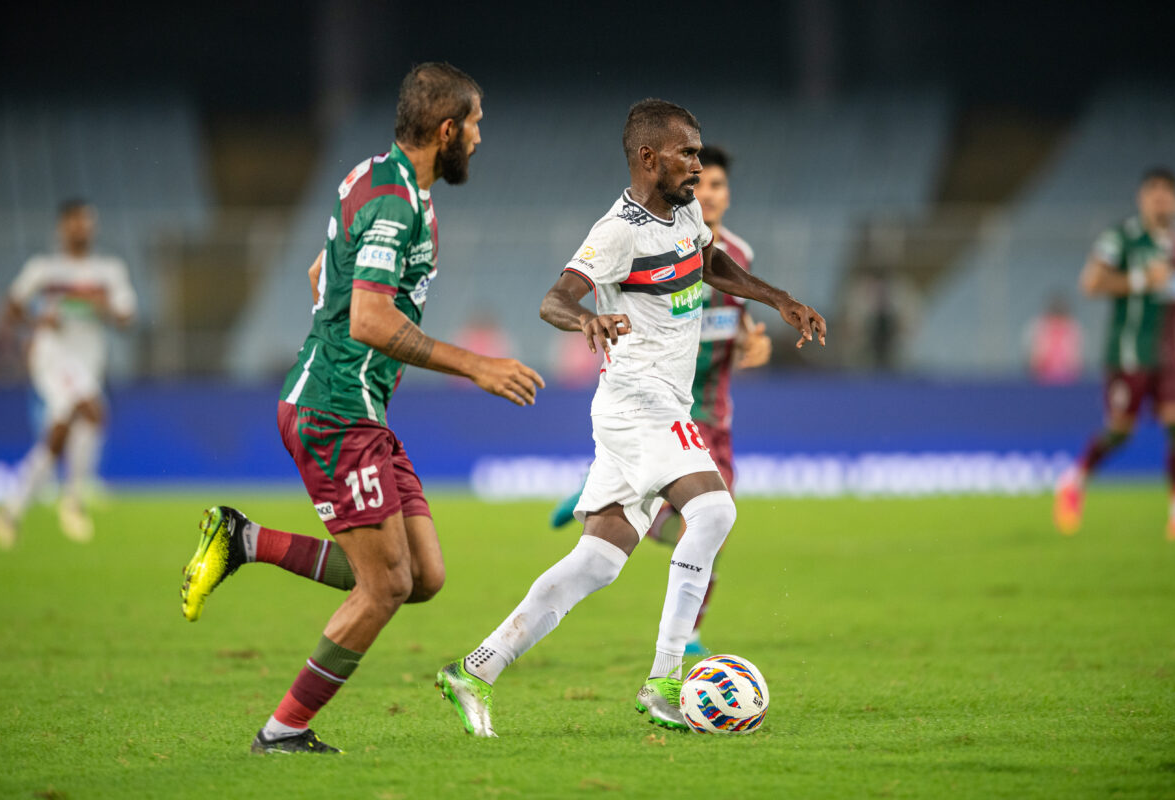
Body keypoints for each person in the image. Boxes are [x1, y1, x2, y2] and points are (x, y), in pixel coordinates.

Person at [178, 62, 544, 755]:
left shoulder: (371, 177)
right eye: (475, 124)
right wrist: (477, 366)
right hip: (334, 410)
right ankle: (282, 732)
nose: (480, 136)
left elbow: (323, 272)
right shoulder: (397, 203)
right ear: (446, 130)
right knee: (385, 587)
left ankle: (245, 540)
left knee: (422, 577)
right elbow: (370, 322)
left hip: (359, 407)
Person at [436, 99, 825, 736]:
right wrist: (586, 317)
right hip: (638, 403)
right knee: (715, 510)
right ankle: (665, 680)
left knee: (599, 561)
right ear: (649, 158)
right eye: (688, 154)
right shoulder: (618, 231)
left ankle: (474, 669)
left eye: (699, 154)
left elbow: (708, 260)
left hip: (648, 406)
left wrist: (777, 297)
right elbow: (553, 299)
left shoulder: (686, 209)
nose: (698, 165)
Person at [546, 145, 772, 657]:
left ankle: (610, 497)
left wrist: (753, 340)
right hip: (662, 408)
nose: (706, 191)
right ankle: (683, 642)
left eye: (716, 185)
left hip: (712, 408)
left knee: (711, 522)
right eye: (702, 181)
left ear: (726, 195)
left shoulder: (736, 254)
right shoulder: (652, 241)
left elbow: (726, 327)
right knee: (712, 515)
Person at [0, 199, 136, 549]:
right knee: (93, 410)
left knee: (60, 433)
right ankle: (73, 501)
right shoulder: (44, 269)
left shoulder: (108, 271)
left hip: (88, 362)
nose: (81, 228)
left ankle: (10, 510)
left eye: (86, 222)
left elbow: (128, 319)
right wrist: (38, 320)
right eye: (75, 222)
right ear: (62, 227)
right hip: (52, 357)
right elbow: (8, 309)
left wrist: (108, 309)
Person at [1054, 166, 1175, 538]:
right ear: (1142, 198)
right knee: (1122, 430)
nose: (1159, 198)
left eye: (1166, 192)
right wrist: (1141, 280)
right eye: (1152, 191)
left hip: (1170, 353)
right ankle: (1074, 479)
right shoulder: (1122, 238)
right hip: (1129, 351)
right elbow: (1090, 283)